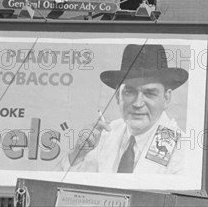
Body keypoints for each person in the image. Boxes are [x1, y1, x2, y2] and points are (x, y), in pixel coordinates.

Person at [60, 44, 188, 175]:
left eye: (149, 93)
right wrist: (79, 153)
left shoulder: (182, 149)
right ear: (117, 96)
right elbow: (71, 184)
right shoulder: (104, 135)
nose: (138, 104)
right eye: (129, 92)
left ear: (166, 98)